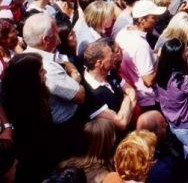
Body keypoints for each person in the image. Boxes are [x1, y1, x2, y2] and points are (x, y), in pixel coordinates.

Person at [22, 13, 85, 155]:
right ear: (45, 39)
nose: (58, 33)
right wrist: (74, 74)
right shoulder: (46, 68)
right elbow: (79, 95)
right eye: (55, 31)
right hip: (65, 130)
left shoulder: (27, 57)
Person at [2, 53, 56, 182]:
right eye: (41, 71)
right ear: (30, 78)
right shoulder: (24, 110)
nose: (45, 72)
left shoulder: (37, 93)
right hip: (33, 164)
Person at [116, 0, 166, 110]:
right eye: (153, 17)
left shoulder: (123, 32)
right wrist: (160, 58)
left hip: (135, 94)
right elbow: (148, 80)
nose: (157, 20)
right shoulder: (141, 45)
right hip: (147, 101)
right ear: (142, 20)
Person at [82, 39, 137, 131]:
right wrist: (127, 98)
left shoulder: (111, 72)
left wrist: (124, 114)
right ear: (100, 63)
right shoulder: (89, 93)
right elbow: (121, 123)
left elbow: (132, 91)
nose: (114, 58)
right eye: (111, 56)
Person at [57, 118, 116, 183]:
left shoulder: (65, 165)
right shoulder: (104, 177)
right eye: (113, 136)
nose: (115, 138)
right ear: (107, 144)